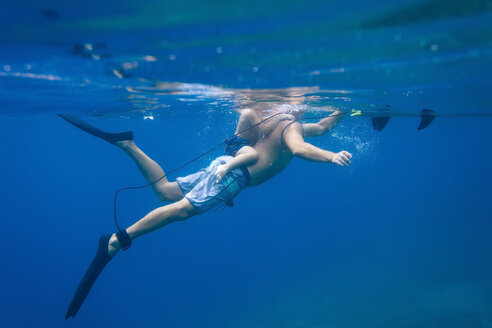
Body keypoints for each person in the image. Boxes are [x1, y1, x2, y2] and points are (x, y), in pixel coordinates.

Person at [61, 106, 351, 319]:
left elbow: (322, 127)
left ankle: (127, 144)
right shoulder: (292, 129)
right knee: (182, 210)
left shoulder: (278, 121)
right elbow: (299, 148)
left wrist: (343, 112)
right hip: (234, 177)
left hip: (226, 165)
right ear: (298, 107)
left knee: (166, 190)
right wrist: (331, 156)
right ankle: (116, 239)